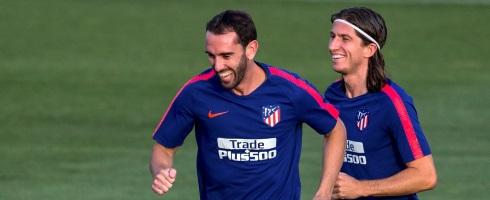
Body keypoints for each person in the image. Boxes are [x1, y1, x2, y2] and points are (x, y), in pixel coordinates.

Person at [150, 10, 346, 200]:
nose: (217, 66)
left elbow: (335, 129)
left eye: (226, 56)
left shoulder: (291, 91)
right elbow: (164, 148)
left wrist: (324, 192)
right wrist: (161, 170)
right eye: (211, 55)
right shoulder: (196, 92)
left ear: (251, 49)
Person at [323, 7, 437, 200]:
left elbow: (426, 176)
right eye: (332, 36)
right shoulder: (333, 95)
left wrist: (360, 188)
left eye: (345, 39)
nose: (332, 46)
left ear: (370, 49)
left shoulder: (393, 103)